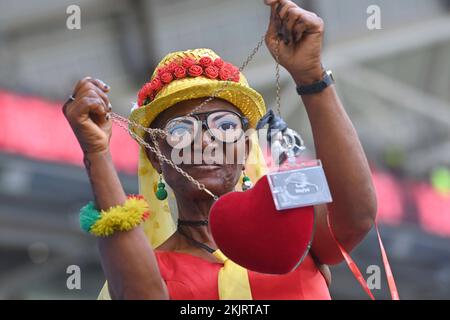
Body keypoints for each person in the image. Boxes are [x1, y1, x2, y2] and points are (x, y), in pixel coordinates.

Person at [63, 0, 377, 300]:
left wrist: (311, 77)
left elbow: (355, 219)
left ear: (245, 147)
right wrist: (96, 152)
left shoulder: (294, 233)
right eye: (181, 130)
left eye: (224, 126)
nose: (204, 140)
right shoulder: (147, 272)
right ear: (157, 159)